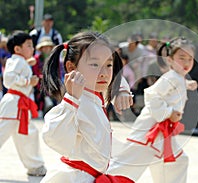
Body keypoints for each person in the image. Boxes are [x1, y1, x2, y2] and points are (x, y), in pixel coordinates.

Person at [40, 31, 134, 183]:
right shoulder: (78, 100)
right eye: (94, 64)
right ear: (71, 67)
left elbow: (117, 78)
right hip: (76, 177)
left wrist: (122, 90)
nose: (103, 73)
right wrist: (71, 100)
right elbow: (52, 136)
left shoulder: (96, 91)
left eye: (108, 64)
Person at [108, 37, 196, 183]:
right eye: (182, 58)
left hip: (162, 130)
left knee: (177, 162)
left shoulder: (177, 77)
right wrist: (169, 112)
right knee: (128, 162)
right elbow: (152, 95)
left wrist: (187, 84)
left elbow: (173, 88)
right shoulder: (172, 77)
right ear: (170, 60)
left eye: (190, 59)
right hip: (150, 129)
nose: (186, 63)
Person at [0, 31, 46, 176]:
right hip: (15, 103)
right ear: (17, 49)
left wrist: (27, 66)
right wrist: (28, 81)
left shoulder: (17, 61)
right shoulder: (16, 61)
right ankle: (35, 165)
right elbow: (8, 78)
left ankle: (35, 166)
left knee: (27, 134)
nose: (32, 48)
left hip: (17, 103)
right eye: (28, 45)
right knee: (6, 133)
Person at [32, 37, 56, 117]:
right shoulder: (36, 59)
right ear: (41, 49)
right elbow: (35, 72)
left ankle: (50, 108)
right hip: (38, 82)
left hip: (50, 81)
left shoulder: (52, 59)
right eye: (44, 47)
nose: (46, 49)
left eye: (48, 47)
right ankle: (40, 109)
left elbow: (56, 72)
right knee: (41, 91)